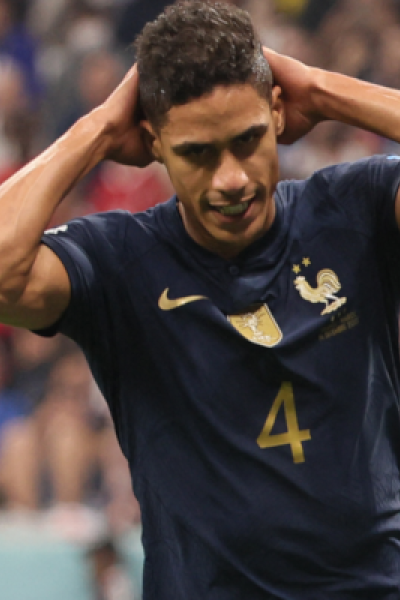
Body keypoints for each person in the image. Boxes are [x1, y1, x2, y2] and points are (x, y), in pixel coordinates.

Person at [1, 0, 400, 596]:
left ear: (277, 113)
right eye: (198, 153)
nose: (231, 179)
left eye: (247, 140)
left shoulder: (354, 209)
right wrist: (98, 129)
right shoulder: (118, 262)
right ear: (153, 143)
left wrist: (324, 88)